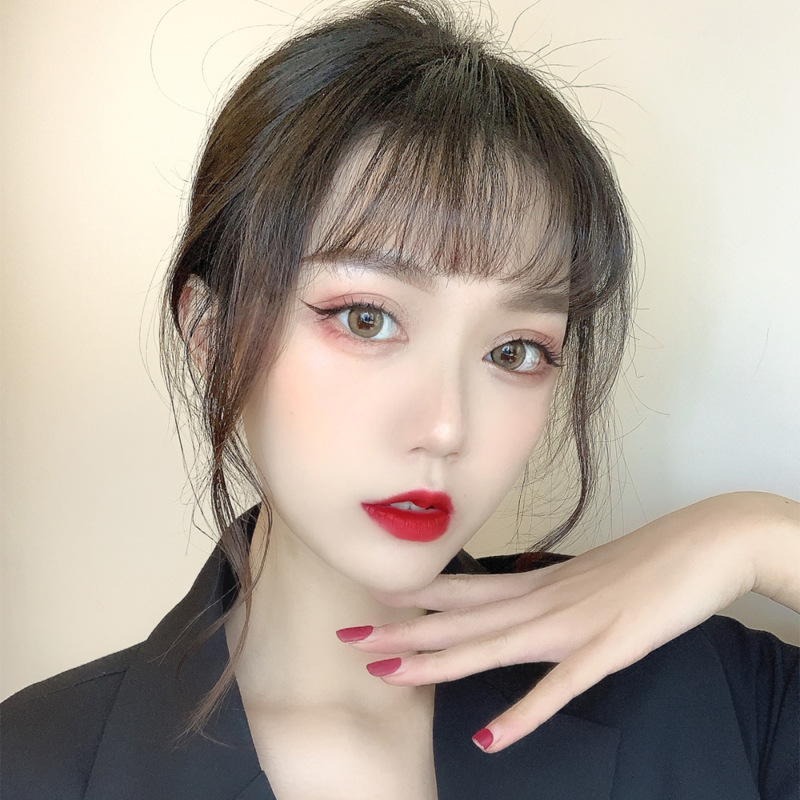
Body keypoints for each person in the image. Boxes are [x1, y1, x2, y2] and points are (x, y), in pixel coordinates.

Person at [1, 1, 798, 798]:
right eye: (366, 318)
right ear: (211, 333)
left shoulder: (708, 695)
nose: (446, 427)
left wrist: (756, 536)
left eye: (514, 351)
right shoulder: (34, 765)